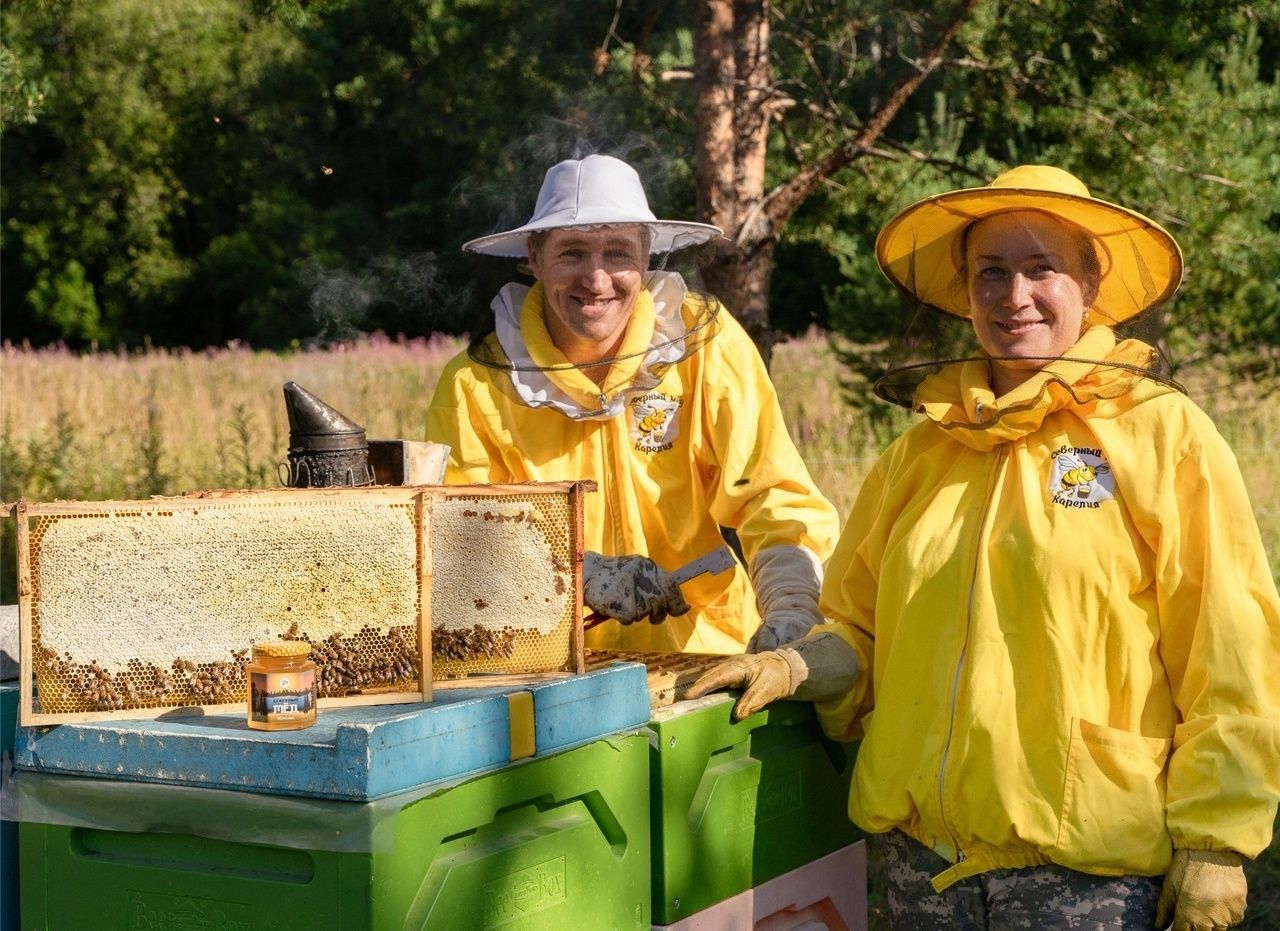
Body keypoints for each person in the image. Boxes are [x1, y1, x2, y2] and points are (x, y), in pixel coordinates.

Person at [687, 165, 1280, 929]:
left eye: (1043, 269)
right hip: (920, 869)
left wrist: (1218, 840)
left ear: (1090, 285)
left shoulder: (1164, 435)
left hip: (1081, 874)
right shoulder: (917, 455)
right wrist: (800, 659)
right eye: (990, 272)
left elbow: (1228, 645)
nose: (1014, 295)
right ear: (965, 290)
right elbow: (859, 625)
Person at [426, 154, 839, 653]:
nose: (596, 281)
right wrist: (578, 572)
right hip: (548, 666)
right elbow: (457, 538)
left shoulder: (703, 344)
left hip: (705, 651)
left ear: (646, 258)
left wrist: (793, 604)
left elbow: (772, 496)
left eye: (618, 254)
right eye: (572, 254)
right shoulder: (474, 386)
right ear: (535, 259)